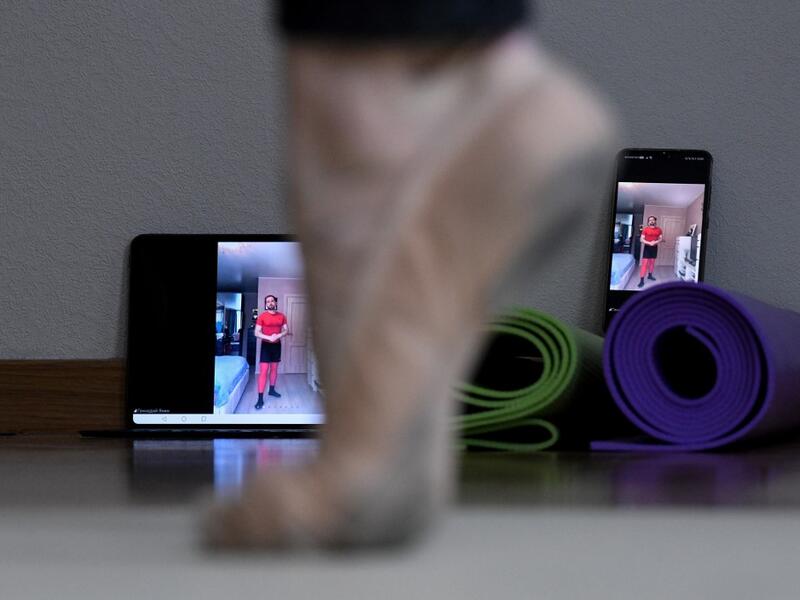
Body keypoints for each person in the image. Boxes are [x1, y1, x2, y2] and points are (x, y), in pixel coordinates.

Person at [253, 294, 289, 409]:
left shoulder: (282, 316)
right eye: (267, 301)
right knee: (263, 371)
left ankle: (272, 390)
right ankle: (260, 399)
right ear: (266, 304)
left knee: (274, 369)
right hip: (266, 346)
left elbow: (286, 330)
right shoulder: (262, 316)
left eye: (272, 301)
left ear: (275, 303)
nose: (270, 303)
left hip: (277, 346)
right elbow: (256, 332)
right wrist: (269, 338)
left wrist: (278, 335)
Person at [637, 216, 663, 288]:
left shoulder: (659, 230)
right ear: (648, 222)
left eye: (653, 220)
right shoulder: (645, 229)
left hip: (655, 247)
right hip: (647, 248)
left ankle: (650, 275)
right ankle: (641, 280)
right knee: (644, 264)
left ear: (655, 221)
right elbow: (641, 239)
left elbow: (661, 238)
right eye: (650, 220)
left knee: (652, 263)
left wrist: (656, 241)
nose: (651, 221)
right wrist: (649, 243)